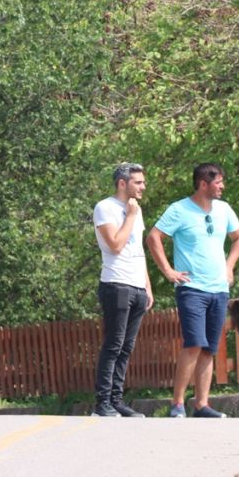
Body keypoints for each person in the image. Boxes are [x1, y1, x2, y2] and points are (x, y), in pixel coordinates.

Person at [146, 163, 239, 418]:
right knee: (193, 344)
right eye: (218, 182)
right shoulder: (179, 209)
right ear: (204, 184)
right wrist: (168, 271)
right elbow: (154, 237)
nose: (222, 186)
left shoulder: (224, 209)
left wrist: (229, 266)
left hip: (219, 289)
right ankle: (177, 403)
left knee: (209, 348)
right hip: (191, 288)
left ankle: (201, 404)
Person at [91, 162, 153, 418]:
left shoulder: (135, 211)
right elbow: (115, 244)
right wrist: (129, 215)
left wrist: (147, 286)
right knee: (113, 345)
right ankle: (102, 403)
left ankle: (117, 400)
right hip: (116, 284)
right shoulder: (105, 208)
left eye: (142, 182)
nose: (143, 187)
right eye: (138, 182)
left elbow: (138, 250)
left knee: (127, 347)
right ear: (122, 183)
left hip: (136, 285)